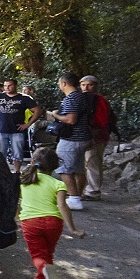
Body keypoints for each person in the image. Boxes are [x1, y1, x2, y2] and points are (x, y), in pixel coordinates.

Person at [18, 146, 86, 279]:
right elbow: (62, 206)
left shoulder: (25, 180)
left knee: (39, 256)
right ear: (56, 165)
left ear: (33, 162)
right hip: (53, 223)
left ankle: (42, 272)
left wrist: (16, 218)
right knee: (48, 254)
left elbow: (14, 201)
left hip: (30, 222)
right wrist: (73, 229)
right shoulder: (58, 184)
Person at [45, 72, 92, 210]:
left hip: (72, 139)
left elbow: (71, 120)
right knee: (78, 168)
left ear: (64, 83)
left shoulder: (71, 98)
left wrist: (55, 115)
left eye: (60, 83)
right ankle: (77, 195)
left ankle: (74, 198)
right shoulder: (81, 96)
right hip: (83, 137)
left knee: (63, 168)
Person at [0, 79, 42, 170]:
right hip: (1, 129)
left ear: (15, 86)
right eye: (5, 86)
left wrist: (28, 124)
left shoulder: (23, 98)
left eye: (10, 85)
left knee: (17, 154)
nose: (7, 88)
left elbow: (37, 111)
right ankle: (1, 173)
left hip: (17, 130)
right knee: (0, 154)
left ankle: (17, 172)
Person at [79, 75, 117, 201]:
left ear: (95, 86)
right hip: (88, 135)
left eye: (89, 85)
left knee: (92, 162)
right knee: (88, 163)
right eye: (83, 85)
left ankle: (93, 191)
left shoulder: (99, 100)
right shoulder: (85, 98)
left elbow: (102, 120)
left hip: (97, 136)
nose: (86, 88)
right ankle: (86, 189)